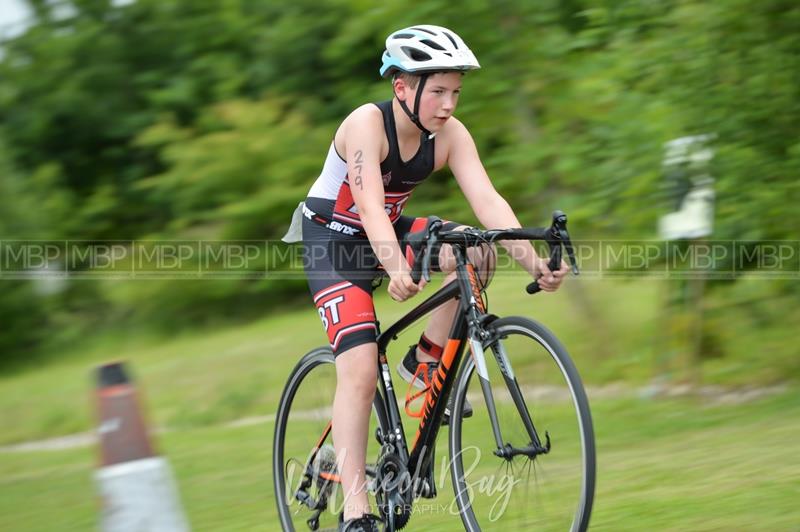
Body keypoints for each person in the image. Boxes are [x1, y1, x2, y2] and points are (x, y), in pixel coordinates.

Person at [291, 24, 569, 531]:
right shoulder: (365, 125)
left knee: (475, 251)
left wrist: (536, 264)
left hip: (384, 230)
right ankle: (355, 512)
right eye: (438, 91)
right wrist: (395, 264)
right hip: (333, 240)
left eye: (455, 92)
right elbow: (370, 207)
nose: (448, 104)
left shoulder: (451, 136)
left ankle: (422, 370)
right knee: (357, 366)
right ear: (403, 87)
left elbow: (489, 205)